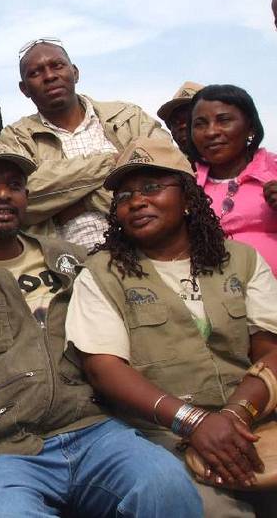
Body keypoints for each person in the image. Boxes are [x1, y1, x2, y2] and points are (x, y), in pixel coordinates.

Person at [0, 137, 201, 517]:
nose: (3, 195)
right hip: (7, 449)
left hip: (94, 429)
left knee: (165, 485)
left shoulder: (66, 257)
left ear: (26, 196)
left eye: (14, 185)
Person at [66, 136, 277, 517]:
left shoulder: (241, 261)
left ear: (187, 198)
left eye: (151, 188)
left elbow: (270, 351)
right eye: (124, 196)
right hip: (162, 435)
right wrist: (193, 421)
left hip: (254, 420)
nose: (137, 201)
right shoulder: (102, 273)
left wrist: (235, 415)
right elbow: (103, 369)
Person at [0, 37, 169, 249]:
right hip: (65, 268)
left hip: (146, 251)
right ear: (24, 89)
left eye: (57, 66)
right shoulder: (16, 137)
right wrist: (109, 165)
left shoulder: (128, 117)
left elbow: (166, 170)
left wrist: (69, 199)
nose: (49, 76)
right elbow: (18, 197)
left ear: (75, 72)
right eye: (35, 72)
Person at [187, 84, 277, 275]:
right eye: (200, 124)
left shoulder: (274, 170)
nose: (211, 132)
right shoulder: (185, 182)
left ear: (250, 126)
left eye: (224, 120)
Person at [157, 81, 204, 159]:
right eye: (175, 122)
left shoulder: (228, 166)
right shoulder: (169, 167)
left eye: (190, 118)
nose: (182, 126)